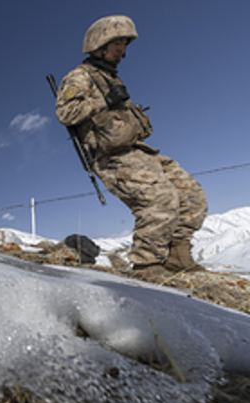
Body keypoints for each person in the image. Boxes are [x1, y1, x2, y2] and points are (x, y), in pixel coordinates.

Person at [55, 15, 208, 274]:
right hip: (112, 157)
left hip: (138, 151)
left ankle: (177, 257)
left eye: (125, 44)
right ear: (100, 43)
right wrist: (103, 102)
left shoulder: (110, 77)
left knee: (192, 197)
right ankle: (146, 265)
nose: (123, 51)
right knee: (159, 199)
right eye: (118, 43)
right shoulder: (80, 76)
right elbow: (65, 113)